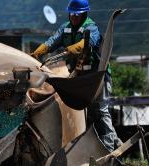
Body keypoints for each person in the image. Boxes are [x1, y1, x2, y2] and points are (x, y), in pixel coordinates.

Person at [30, 0, 122, 152]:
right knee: (89, 115)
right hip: (80, 79)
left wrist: (70, 50)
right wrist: (39, 51)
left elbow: (88, 43)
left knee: (100, 111)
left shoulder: (91, 27)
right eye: (71, 13)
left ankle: (110, 151)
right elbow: (52, 41)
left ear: (84, 13)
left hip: (98, 78)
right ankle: (113, 142)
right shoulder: (64, 28)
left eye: (76, 14)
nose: (73, 17)